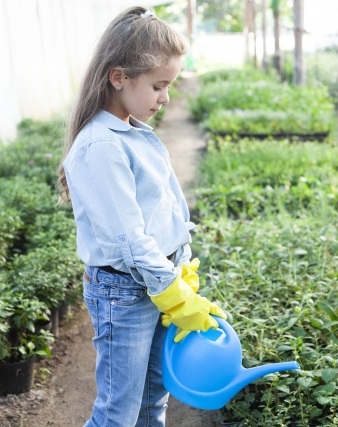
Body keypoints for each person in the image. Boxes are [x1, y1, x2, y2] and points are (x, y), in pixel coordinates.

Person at [56, 7, 226, 427]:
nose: (165, 97)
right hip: (125, 294)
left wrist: (179, 265)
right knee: (118, 412)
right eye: (158, 86)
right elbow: (128, 240)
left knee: (153, 404)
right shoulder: (101, 147)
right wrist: (174, 293)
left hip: (155, 282)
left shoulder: (134, 132)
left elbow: (165, 208)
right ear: (119, 77)